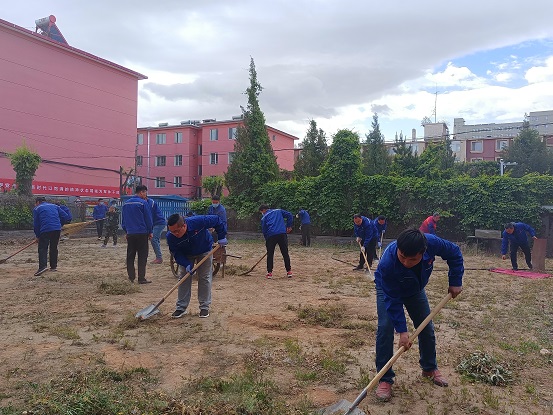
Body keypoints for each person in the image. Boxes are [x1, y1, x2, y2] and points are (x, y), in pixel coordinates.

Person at [374, 228, 464, 401]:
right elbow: (393, 300)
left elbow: (454, 253)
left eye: (412, 259)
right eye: (402, 257)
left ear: (423, 252)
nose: (406, 263)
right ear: (398, 249)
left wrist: (455, 281)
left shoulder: (432, 243)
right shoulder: (387, 263)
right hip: (388, 289)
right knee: (385, 328)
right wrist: (403, 331)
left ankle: (429, 368)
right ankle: (384, 379)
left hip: (415, 289)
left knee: (426, 327)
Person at [166, 213, 227, 318]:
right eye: (172, 231)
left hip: (204, 250)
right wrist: (186, 264)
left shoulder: (198, 222)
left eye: (177, 231)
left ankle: (204, 307)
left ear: (184, 225)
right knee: (183, 278)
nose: (175, 234)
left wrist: (221, 236)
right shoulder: (170, 237)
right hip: (186, 254)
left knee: (204, 277)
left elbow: (217, 220)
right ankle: (181, 308)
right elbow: (176, 254)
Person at [121, 185, 153, 284]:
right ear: (141, 192)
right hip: (142, 233)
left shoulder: (126, 204)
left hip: (130, 233)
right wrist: (150, 231)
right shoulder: (143, 203)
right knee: (142, 256)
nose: (146, 195)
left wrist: (127, 231)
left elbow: (123, 221)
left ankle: (131, 277)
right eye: (145, 193)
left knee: (130, 255)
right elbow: (148, 219)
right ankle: (141, 278)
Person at [32, 197, 71, 276]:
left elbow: (36, 224)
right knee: (53, 247)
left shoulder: (37, 208)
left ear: (38, 202)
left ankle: (42, 267)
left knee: (43, 248)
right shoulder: (55, 206)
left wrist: (37, 236)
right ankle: (53, 266)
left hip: (45, 229)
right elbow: (66, 217)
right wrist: (59, 224)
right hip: (57, 229)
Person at [259, 204, 294, 279]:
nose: (262, 213)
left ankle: (269, 272)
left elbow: (264, 230)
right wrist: (289, 226)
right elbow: (289, 215)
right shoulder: (278, 211)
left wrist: (267, 241)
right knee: (285, 253)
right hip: (282, 234)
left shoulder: (264, 217)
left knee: (270, 254)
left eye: (261, 212)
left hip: (271, 235)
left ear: (263, 210)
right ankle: (289, 271)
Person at [147, 195, 167, 264]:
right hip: (156, 223)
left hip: (159, 223)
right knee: (156, 239)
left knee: (153, 239)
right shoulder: (148, 202)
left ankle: (159, 258)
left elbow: (149, 216)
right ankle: (158, 256)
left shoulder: (150, 203)